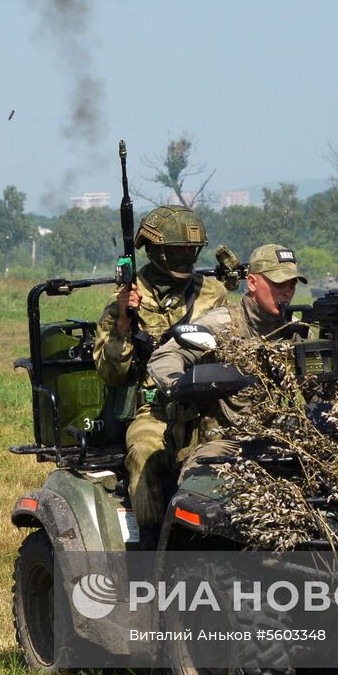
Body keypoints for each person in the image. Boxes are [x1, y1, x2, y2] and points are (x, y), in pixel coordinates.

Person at [91, 205, 230, 539]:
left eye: (190, 250)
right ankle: (152, 545)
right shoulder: (128, 298)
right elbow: (111, 373)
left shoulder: (214, 294)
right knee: (143, 455)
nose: (185, 256)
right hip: (154, 408)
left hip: (206, 407)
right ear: (156, 250)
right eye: (177, 250)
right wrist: (125, 320)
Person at [147, 244, 310, 475]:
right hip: (224, 441)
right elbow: (165, 355)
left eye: (292, 284)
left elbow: (320, 388)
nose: (286, 292)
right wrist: (179, 384)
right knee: (199, 481)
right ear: (252, 282)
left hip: (280, 439)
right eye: (278, 284)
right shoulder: (222, 325)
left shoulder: (296, 332)